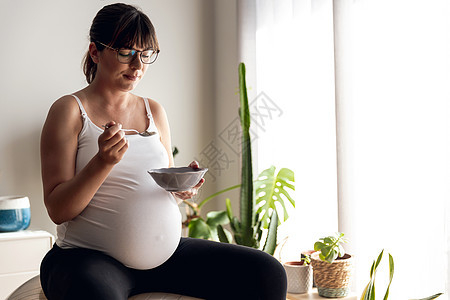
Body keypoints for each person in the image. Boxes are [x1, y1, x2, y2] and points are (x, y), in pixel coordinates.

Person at [39, 3, 287, 300]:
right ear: (95, 51)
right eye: (126, 52)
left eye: (145, 54)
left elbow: (161, 182)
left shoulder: (153, 110)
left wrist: (180, 189)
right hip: (88, 258)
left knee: (268, 272)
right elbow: (58, 210)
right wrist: (102, 163)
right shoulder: (68, 110)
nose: (138, 65)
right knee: (94, 293)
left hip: (166, 257)